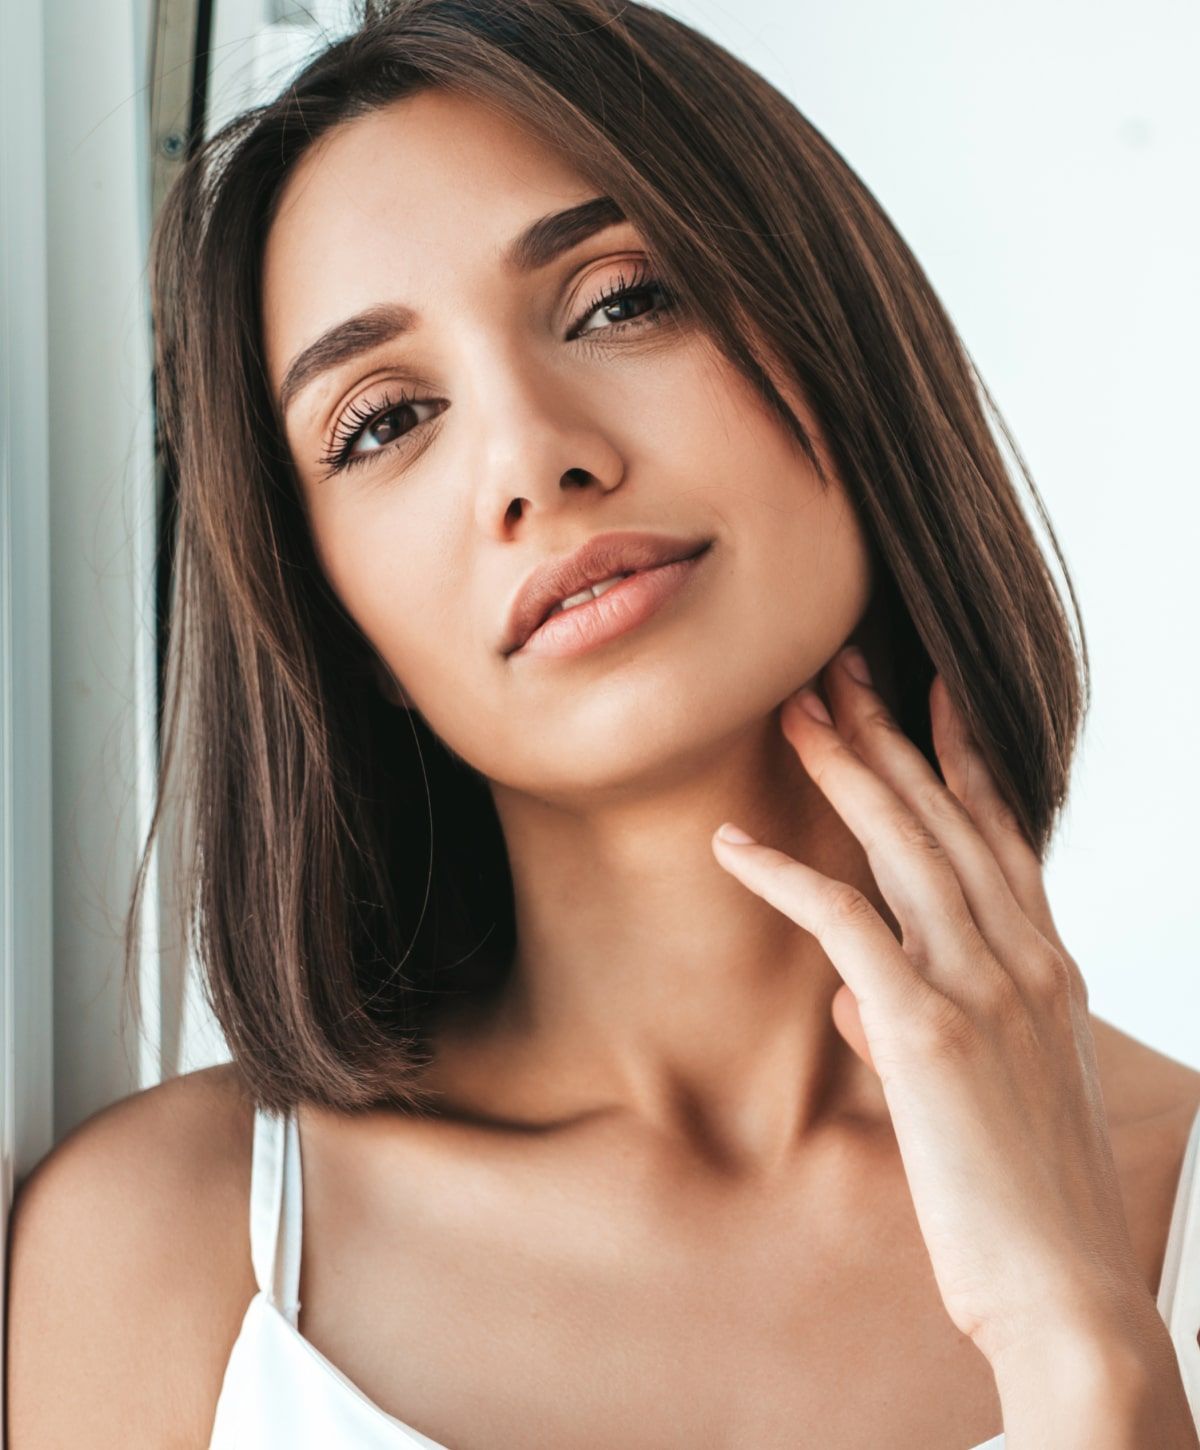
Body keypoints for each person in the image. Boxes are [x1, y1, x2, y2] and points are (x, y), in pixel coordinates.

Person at [8, 1, 1200, 1445]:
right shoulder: (168, 1255)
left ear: (839, 343)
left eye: (621, 298)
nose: (531, 457)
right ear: (336, 618)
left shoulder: (1169, 1201)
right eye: (383, 421)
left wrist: (1080, 1339)